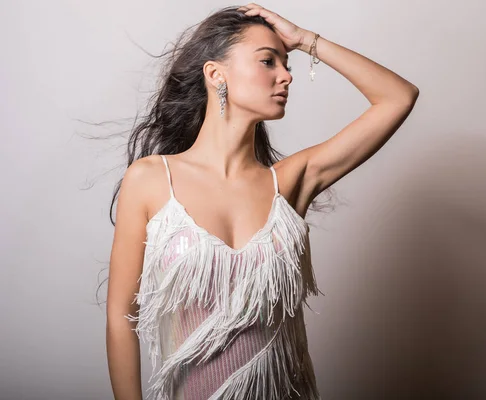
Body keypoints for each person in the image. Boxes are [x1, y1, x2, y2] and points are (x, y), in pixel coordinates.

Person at [105, 3, 419, 399]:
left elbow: (398, 97)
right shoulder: (151, 180)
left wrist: (307, 40)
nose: (287, 75)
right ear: (216, 74)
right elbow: (121, 316)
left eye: (286, 63)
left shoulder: (290, 181)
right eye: (268, 61)